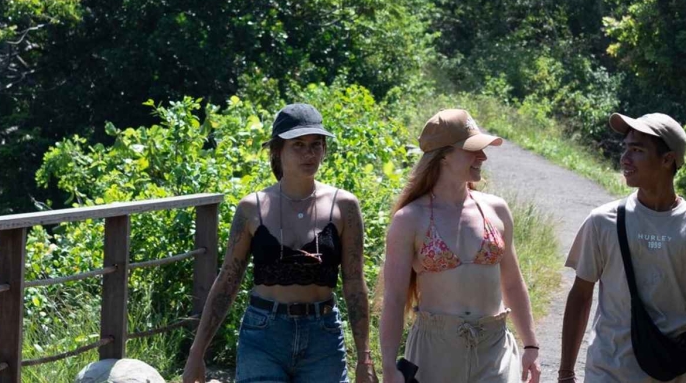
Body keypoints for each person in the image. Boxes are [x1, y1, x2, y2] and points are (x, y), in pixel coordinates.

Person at [184, 103, 375, 383]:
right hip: (263, 334)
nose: (309, 153)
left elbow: (355, 282)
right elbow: (227, 280)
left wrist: (364, 358)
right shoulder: (252, 208)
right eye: (298, 145)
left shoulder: (344, 206)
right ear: (277, 150)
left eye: (316, 144)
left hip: (323, 335)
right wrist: (196, 354)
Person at [556, 113, 686, 383]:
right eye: (626, 148)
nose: (625, 159)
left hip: (674, 372)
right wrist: (565, 373)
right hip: (608, 370)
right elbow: (581, 295)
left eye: (637, 150)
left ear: (667, 159)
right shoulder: (602, 221)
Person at [378, 109, 542, 383]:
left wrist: (531, 346)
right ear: (442, 156)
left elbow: (512, 282)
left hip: (494, 347)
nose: (483, 157)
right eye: (472, 150)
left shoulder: (496, 210)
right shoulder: (409, 219)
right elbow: (394, 299)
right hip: (434, 352)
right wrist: (388, 366)